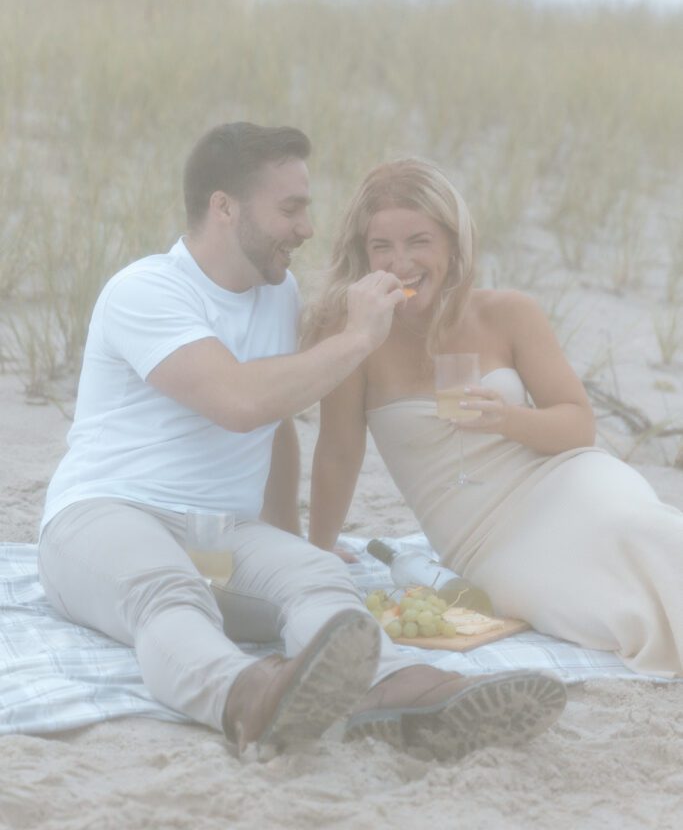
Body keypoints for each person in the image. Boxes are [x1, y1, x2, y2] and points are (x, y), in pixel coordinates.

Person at [38, 124, 566, 762]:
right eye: (290, 208)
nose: (308, 227)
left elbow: (276, 422)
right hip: (104, 517)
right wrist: (356, 338)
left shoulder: (277, 294)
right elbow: (239, 402)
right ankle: (248, 699)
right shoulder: (145, 291)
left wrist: (290, 538)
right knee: (166, 592)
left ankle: (402, 692)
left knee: (315, 580)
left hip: (219, 537)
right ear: (225, 207)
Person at [307, 158, 683, 680]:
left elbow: (578, 425)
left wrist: (508, 419)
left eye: (420, 241)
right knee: (596, 603)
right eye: (382, 247)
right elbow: (339, 450)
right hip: (485, 539)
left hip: (566, 480)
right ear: (362, 252)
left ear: (452, 245)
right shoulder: (354, 333)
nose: (401, 262)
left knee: (638, 529)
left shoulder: (509, 313)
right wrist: (319, 547)